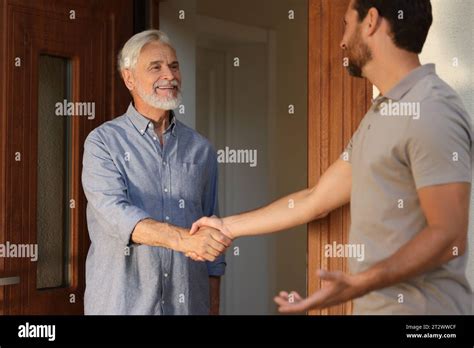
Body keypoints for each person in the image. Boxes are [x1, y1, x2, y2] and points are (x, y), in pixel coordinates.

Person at [190, 0, 473, 315]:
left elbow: (449, 236)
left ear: (371, 22)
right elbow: (315, 200)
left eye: (346, 24)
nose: (341, 40)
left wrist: (360, 283)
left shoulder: (432, 108)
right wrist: (227, 226)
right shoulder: (381, 114)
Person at [82, 30, 231, 315]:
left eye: (174, 66)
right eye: (156, 67)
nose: (170, 75)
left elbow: (213, 241)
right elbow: (118, 217)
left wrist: (213, 307)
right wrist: (184, 239)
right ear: (129, 78)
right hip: (121, 307)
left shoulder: (202, 149)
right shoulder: (102, 143)